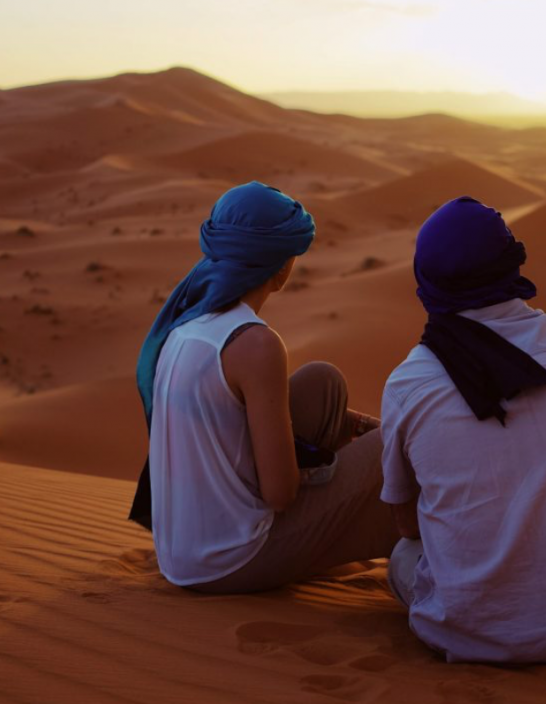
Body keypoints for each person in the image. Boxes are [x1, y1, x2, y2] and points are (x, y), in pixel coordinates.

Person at [381, 196, 546, 664]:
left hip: (463, 635)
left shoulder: (410, 380)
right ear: (510, 262)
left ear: (426, 279)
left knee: (402, 556)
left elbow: (405, 523)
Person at [128, 181, 399, 593]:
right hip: (231, 559)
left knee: (321, 383)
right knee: (398, 444)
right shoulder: (254, 343)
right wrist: (340, 470)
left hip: (182, 552)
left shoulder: (187, 323)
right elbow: (280, 493)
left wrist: (356, 429)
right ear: (281, 265)